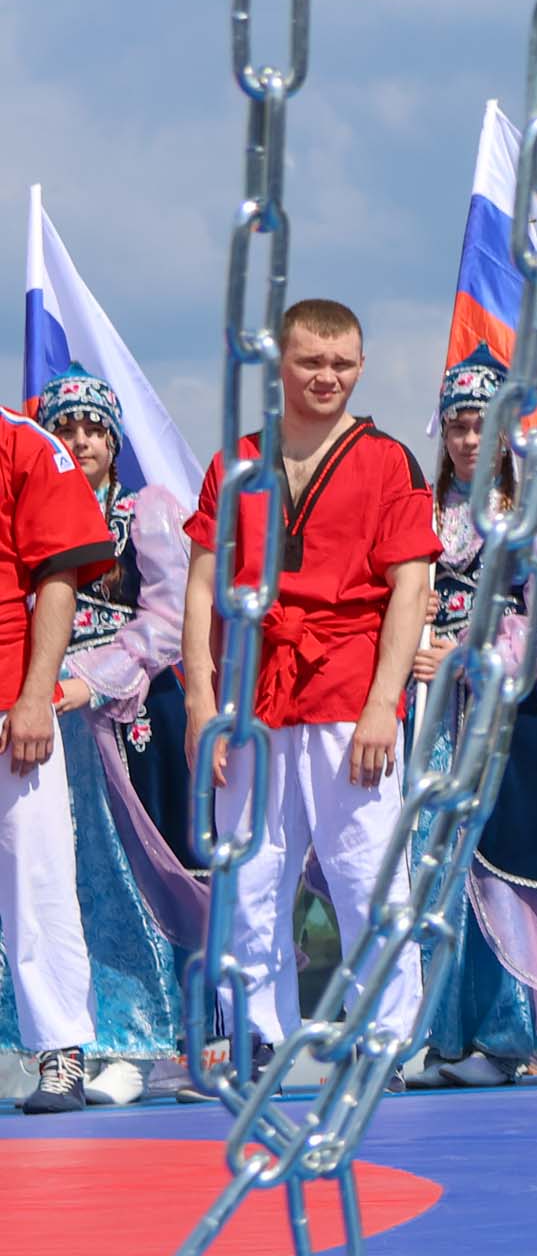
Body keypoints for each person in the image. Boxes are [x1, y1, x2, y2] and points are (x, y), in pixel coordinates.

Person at [182, 300, 437, 1077]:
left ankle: (386, 1038)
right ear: (280, 365)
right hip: (251, 691)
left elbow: (411, 588)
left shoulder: (388, 460)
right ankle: (258, 1034)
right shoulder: (236, 464)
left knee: (364, 870)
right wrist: (199, 699)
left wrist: (382, 707)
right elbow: (201, 586)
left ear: (361, 367)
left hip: (348, 681)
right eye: (310, 362)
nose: (327, 377)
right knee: (250, 871)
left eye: (342, 363)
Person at [403, 349, 537, 1089]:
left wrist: (465, 652)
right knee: (433, 873)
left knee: (501, 869)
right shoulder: (416, 512)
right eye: (459, 426)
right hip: (426, 717)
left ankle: (511, 1032)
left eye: (483, 425)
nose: (469, 439)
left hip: (502, 715)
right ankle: (446, 1037)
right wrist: (408, 620)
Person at [11, 374, 201, 1107]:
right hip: (42, 718)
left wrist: (88, 679)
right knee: (59, 881)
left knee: (136, 873)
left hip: (127, 715)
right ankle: (70, 1040)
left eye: (94, 428)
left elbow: (163, 619)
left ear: (115, 441)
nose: (81, 440)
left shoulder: (144, 514)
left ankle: (138, 1041)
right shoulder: (31, 513)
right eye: (68, 429)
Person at [0, 400, 122, 1114]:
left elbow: (57, 576)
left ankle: (61, 1054)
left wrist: (36, 695)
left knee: (35, 876)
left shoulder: (24, 442)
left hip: (11, 697)